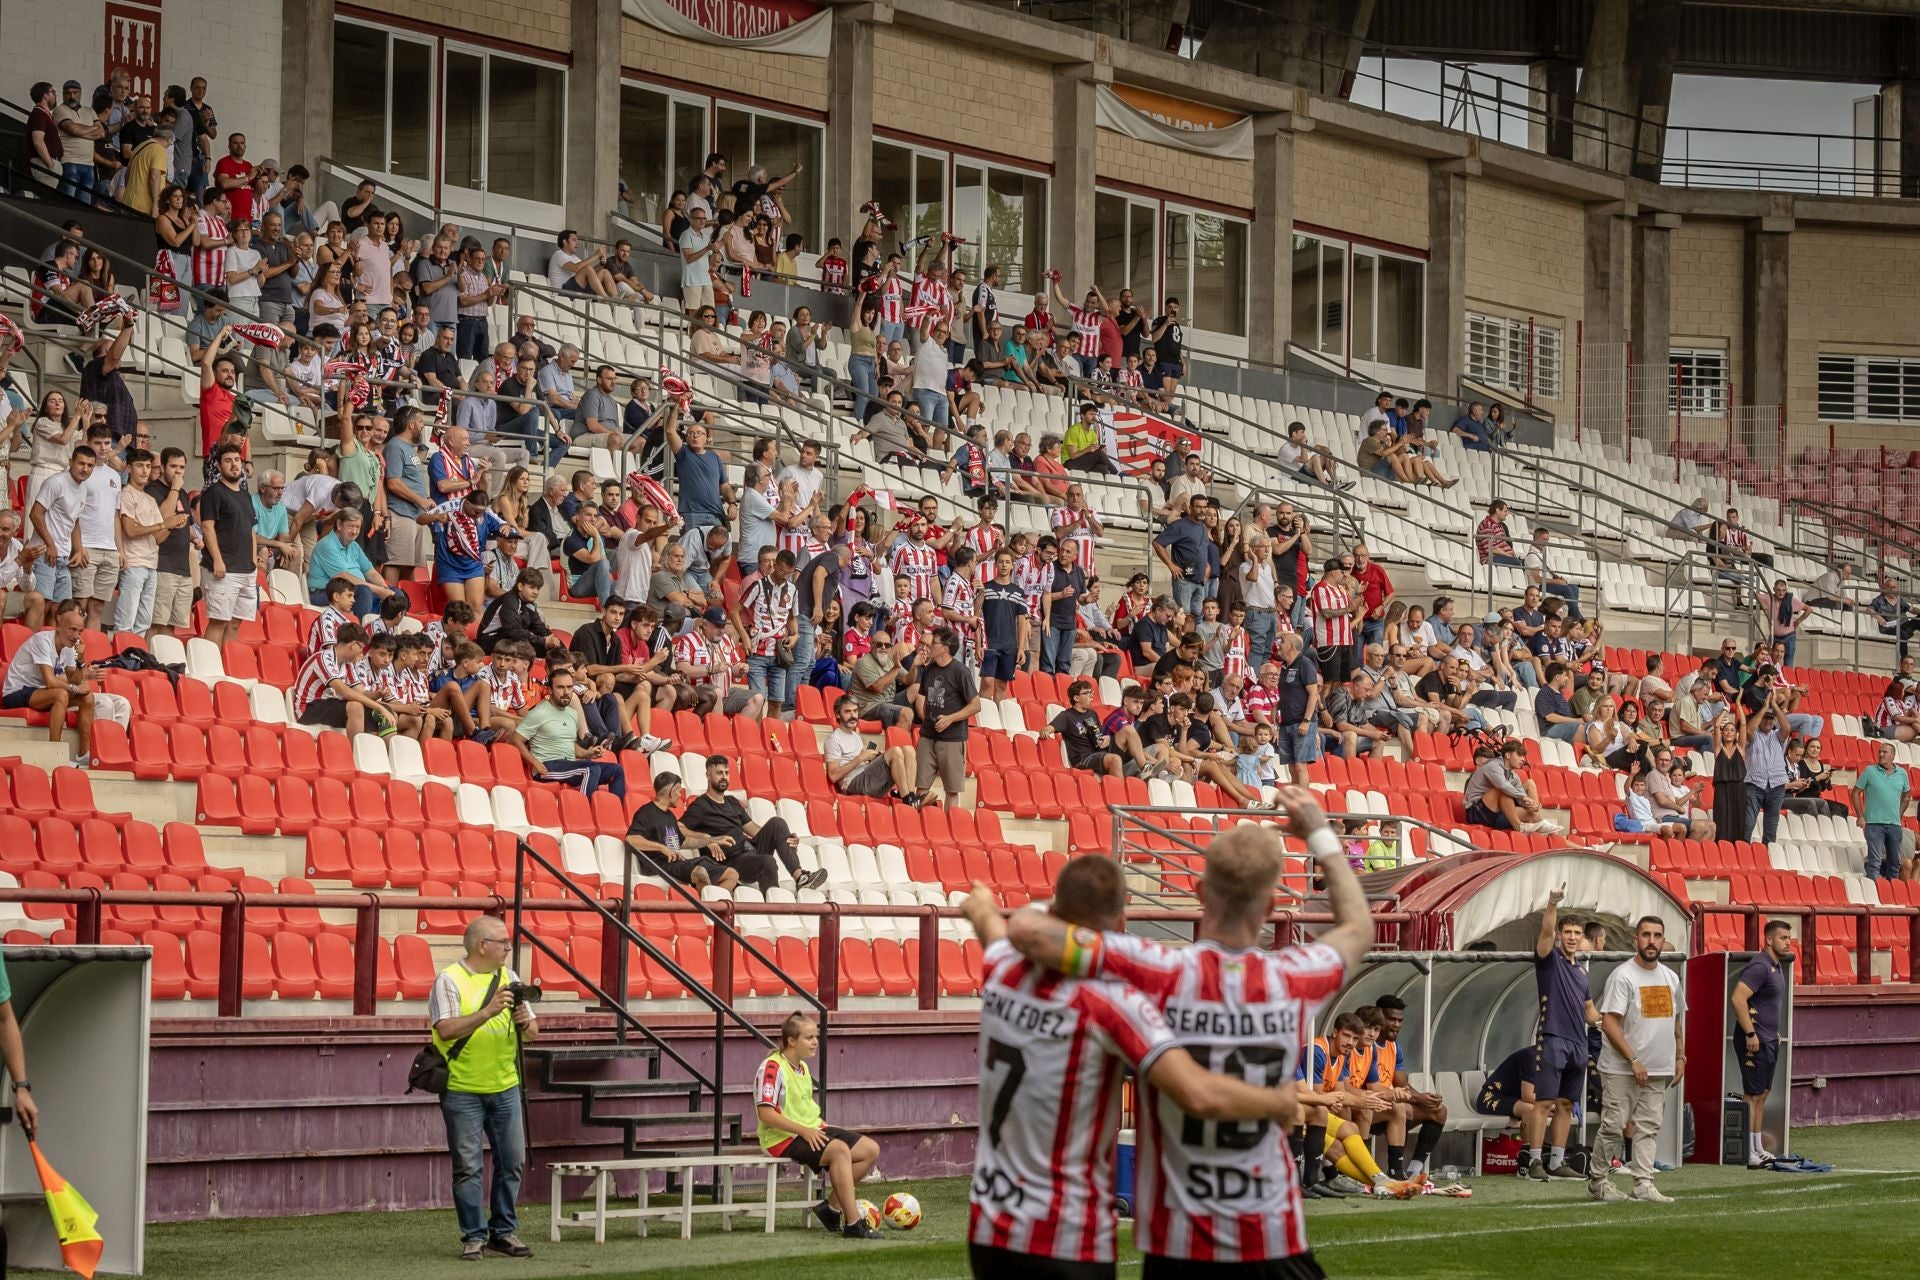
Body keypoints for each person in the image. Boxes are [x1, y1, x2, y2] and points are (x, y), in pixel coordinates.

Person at [992, 799, 1396, 1273]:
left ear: (1200, 892)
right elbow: (1358, 927)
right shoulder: (1293, 976)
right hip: (1268, 1233)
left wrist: (1058, 904)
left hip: (1179, 1243)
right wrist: (1320, 835)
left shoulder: (1157, 968)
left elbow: (1025, 929)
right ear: (1269, 906)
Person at [428, 914, 538, 1262]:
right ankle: (474, 1235)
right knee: (468, 1166)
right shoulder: (449, 979)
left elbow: (534, 1033)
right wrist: (488, 1011)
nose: (509, 947)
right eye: (503, 942)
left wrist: (527, 1023)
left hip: (505, 1084)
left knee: (513, 1161)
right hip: (462, 1087)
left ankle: (502, 1232)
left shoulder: (511, 978)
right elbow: (445, 1030)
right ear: (482, 945)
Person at [754, 1013, 882, 1241]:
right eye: (809, 1037)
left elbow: (804, 1110)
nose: (815, 1042)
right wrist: (804, 1130)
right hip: (781, 1139)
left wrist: (823, 1127)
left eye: (816, 1037)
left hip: (810, 1129)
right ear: (791, 1041)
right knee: (840, 1150)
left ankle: (830, 1209)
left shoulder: (802, 1067)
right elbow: (765, 1114)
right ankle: (853, 1224)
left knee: (869, 1150)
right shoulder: (772, 1068)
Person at [1588, 915, 1684, 1205]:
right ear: (1636, 940)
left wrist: (1681, 1056)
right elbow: (1610, 1023)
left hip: (1659, 1068)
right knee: (1613, 1126)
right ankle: (1598, 1181)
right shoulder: (1623, 975)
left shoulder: (1671, 977)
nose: (1652, 941)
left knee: (1649, 1126)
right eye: (1646, 935)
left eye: (1657, 935)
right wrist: (1633, 1060)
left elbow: (1676, 1020)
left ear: (1663, 940)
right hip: (1621, 1069)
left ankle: (1643, 1183)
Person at [1524, 887, 1601, 1181]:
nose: (1571, 937)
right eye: (1566, 931)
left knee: (1567, 1104)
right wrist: (1553, 902)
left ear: (1583, 938)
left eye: (1576, 932)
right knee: (1544, 1102)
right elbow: (1544, 932)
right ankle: (1534, 1163)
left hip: (1578, 1044)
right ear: (1560, 934)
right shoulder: (1549, 959)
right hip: (1553, 1038)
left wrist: (1606, 1022)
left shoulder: (1582, 971)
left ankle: (1557, 1161)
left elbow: (1589, 1010)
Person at [1, 600, 129, 765]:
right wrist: (74, 688)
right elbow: (51, 681)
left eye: (80, 631)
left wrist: (81, 661)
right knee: (61, 694)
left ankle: (84, 753)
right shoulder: (42, 640)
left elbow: (72, 678)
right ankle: (55, 752)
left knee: (87, 698)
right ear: (59, 624)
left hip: (41, 692)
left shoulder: (70, 647)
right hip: (16, 692)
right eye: (73, 630)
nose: (76, 636)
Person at [681, 756, 828, 891]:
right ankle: (773, 907)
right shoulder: (700, 805)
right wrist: (707, 839)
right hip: (731, 861)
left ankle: (800, 877)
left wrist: (785, 838)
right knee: (767, 861)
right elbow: (677, 828)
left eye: (727, 772)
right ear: (708, 775)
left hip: (751, 849)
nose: (724, 777)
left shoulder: (732, 802)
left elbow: (755, 830)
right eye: (719, 773)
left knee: (777, 823)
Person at [1731, 919, 1793, 1168]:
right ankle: (1747, 1151)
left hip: (1768, 1038)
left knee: (1763, 1094)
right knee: (1751, 1094)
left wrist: (1773, 1031)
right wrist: (1750, 1034)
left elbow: (1767, 1005)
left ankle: (1757, 1147)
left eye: (1789, 938)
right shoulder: (1759, 965)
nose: (1788, 942)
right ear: (1769, 939)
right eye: (1783, 938)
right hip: (1753, 1040)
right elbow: (1738, 998)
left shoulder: (1776, 966)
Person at [1371, 994, 1450, 1180]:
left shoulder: (1395, 1048)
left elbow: (1402, 1084)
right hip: (1371, 1103)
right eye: (1391, 1019)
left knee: (1439, 1111)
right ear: (1379, 1016)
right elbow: (1369, 1085)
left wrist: (1423, 1097)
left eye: (1400, 1020)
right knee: (1402, 1108)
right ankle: (1394, 1171)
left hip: (1390, 1102)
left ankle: (1414, 1170)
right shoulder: (1366, 1045)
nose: (1397, 1024)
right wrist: (1414, 1098)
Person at [507, 677, 625, 800]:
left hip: (568, 765)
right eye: (560, 687)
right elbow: (516, 740)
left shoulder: (572, 714)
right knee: (590, 770)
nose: (566, 692)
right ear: (550, 690)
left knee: (616, 770)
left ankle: (617, 816)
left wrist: (587, 753)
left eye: (569, 687)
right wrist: (535, 763)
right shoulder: (538, 713)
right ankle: (582, 814)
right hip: (547, 766)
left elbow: (569, 744)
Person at [624, 772, 737, 890]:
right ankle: (705, 906)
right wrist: (662, 848)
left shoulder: (670, 816)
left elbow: (683, 842)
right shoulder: (645, 812)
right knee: (700, 873)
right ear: (672, 791)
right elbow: (630, 839)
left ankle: (712, 905)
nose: (679, 795)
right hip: (660, 865)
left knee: (731, 874)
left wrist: (713, 840)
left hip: (678, 864)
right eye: (678, 791)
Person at [908, 627, 977, 808]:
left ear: (945, 647)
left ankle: (950, 827)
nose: (930, 646)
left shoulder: (960, 671)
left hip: (952, 738)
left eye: (934, 643)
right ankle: (921, 826)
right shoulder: (929, 669)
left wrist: (950, 718)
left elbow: (975, 705)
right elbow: (924, 697)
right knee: (921, 786)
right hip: (928, 735)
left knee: (951, 789)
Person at [197, 441, 257, 647]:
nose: (234, 464)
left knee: (234, 624)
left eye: (237, 460)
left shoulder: (244, 494)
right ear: (219, 465)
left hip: (246, 569)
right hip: (223, 569)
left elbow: (251, 529)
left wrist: (253, 560)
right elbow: (207, 527)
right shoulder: (214, 492)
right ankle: (208, 667)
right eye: (228, 460)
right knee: (218, 622)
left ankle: (226, 668)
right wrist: (217, 560)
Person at [823, 695, 918, 799]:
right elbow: (833, 776)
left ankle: (911, 795)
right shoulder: (833, 739)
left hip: (868, 781)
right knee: (894, 751)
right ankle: (907, 799)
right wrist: (859, 758)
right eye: (848, 712)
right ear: (837, 714)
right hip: (853, 785)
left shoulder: (856, 736)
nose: (853, 715)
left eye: (855, 711)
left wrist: (873, 759)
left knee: (909, 750)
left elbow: (862, 764)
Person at [1853, 742, 1911, 881]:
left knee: (1895, 863)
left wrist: (1899, 814)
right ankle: (1872, 894)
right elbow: (1855, 793)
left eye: (1885, 752)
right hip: (1873, 824)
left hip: (1894, 825)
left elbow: (1907, 796)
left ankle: (1891, 894)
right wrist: (1860, 816)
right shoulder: (1869, 771)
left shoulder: (1902, 773)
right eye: (1880, 751)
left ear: (1893, 755)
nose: (1881, 754)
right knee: (1874, 862)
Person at [1471, 1045, 1540, 1134]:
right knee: (1531, 1110)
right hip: (1491, 1097)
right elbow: (1527, 1096)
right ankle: (1529, 1147)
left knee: (1560, 1110)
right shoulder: (1531, 1056)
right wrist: (1552, 1105)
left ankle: (1554, 1147)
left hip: (1516, 1099)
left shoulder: (1559, 1059)